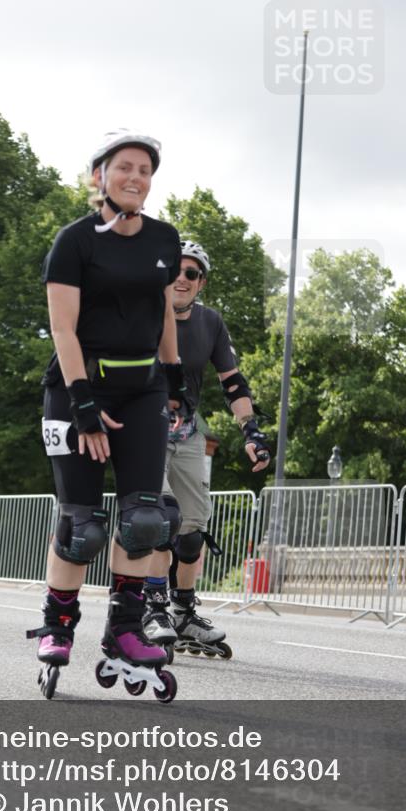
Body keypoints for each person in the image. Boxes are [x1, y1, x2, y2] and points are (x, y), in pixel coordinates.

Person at [27, 130, 190, 701]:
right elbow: (62, 328)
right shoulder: (73, 242)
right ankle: (57, 624)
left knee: (146, 519)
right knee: (82, 526)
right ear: (100, 175)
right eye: (125, 167)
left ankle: (124, 629)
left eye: (145, 170)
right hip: (79, 389)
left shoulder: (164, 239)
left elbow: (163, 315)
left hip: (142, 389)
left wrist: (174, 380)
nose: (136, 178)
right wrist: (84, 407)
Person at [142, 239, 271, 658]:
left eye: (191, 273)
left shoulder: (210, 322)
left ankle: (182, 612)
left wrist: (251, 432)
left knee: (192, 531)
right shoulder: (143, 314)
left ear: (201, 283)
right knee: (162, 518)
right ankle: (153, 608)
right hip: (144, 430)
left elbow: (232, 382)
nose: (181, 278)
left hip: (188, 431)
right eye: (175, 271)